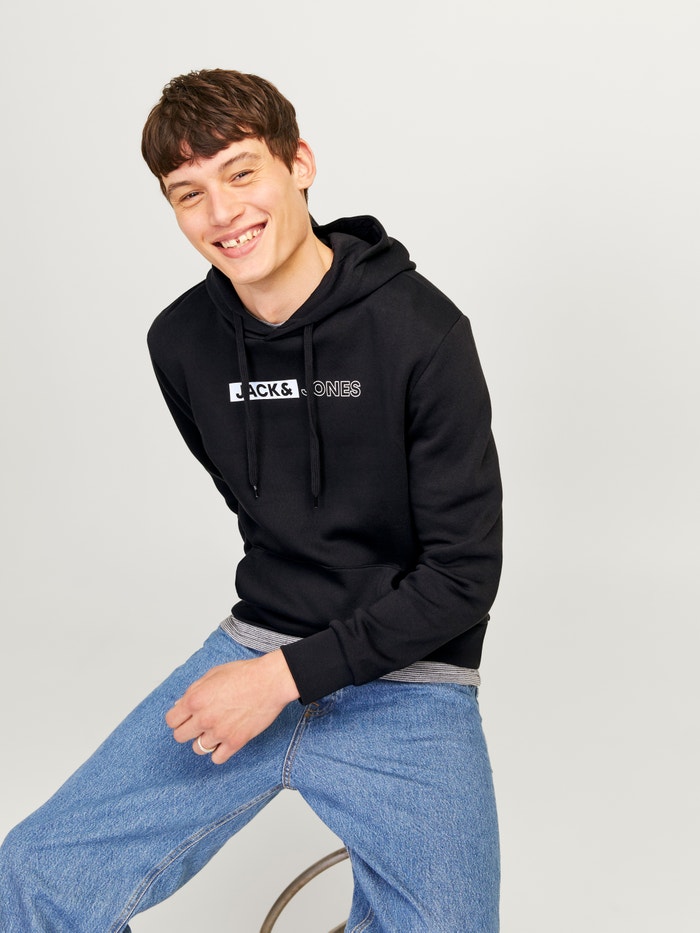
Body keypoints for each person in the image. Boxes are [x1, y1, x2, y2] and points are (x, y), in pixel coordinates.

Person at [0, 69, 503, 931]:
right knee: (37, 873)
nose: (222, 212)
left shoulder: (423, 331)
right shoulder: (181, 341)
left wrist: (282, 680)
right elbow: (262, 511)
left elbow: (462, 577)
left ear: (298, 163)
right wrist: (267, 666)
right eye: (188, 192)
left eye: (241, 172)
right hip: (256, 644)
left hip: (412, 679)